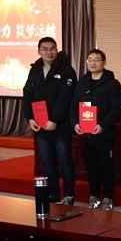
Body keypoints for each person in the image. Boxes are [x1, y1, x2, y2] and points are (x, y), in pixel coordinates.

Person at [22, 37, 77, 205]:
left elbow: (66, 98)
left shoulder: (66, 70)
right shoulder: (35, 69)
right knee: (47, 161)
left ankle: (69, 195)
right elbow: (27, 93)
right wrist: (30, 117)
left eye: (52, 48)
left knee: (64, 159)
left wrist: (54, 120)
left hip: (60, 125)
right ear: (39, 51)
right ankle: (53, 194)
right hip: (40, 125)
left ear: (57, 50)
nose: (49, 52)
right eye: (45, 49)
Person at [70, 49, 121, 210]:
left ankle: (107, 198)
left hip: (105, 134)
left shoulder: (113, 84)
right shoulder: (81, 83)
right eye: (90, 60)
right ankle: (94, 196)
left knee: (106, 167)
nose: (93, 63)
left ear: (104, 62)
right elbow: (74, 106)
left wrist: (102, 126)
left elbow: (116, 109)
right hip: (86, 134)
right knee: (91, 167)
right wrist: (75, 123)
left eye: (97, 60)